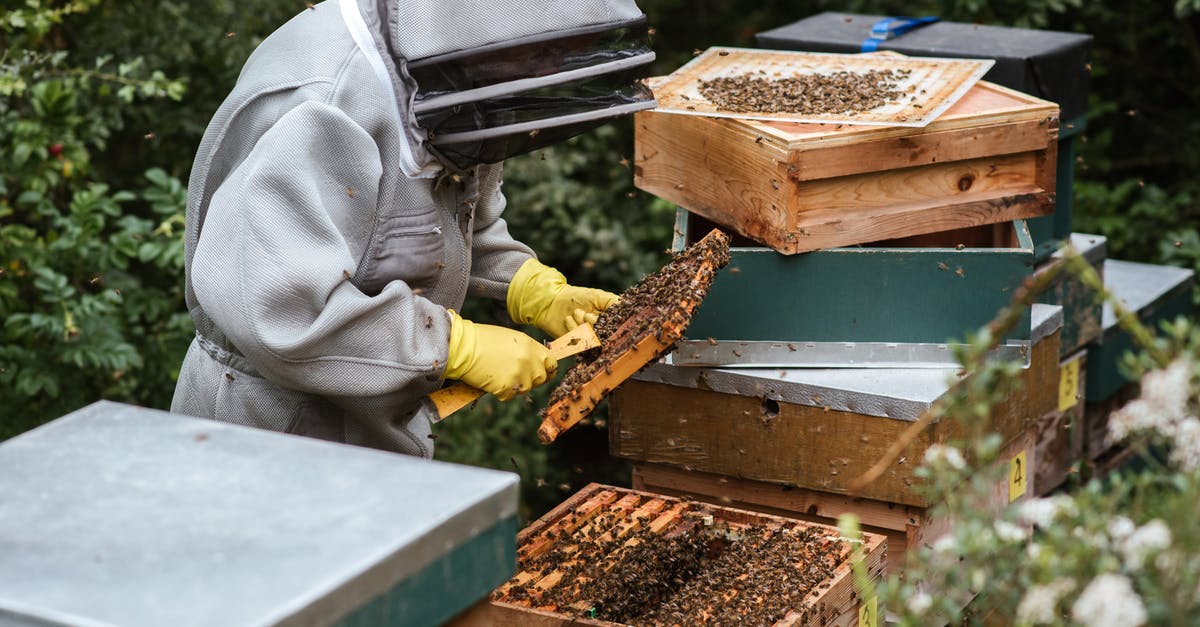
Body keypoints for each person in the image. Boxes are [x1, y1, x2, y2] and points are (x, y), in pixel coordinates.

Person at [170, 0, 657, 457]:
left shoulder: (455, 74)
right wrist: (450, 347)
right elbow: (282, 311)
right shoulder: (323, 105)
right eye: (547, 50)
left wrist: (529, 287)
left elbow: (441, 226)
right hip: (266, 437)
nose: (549, 70)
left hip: (368, 434)